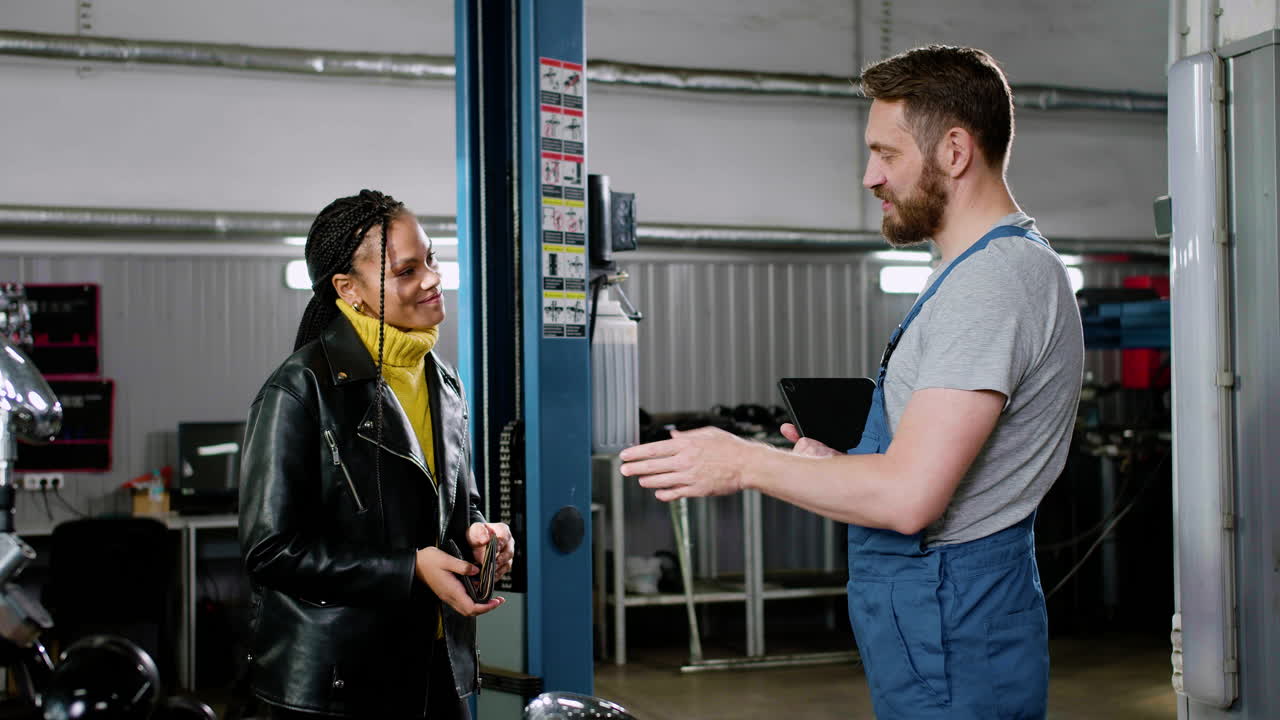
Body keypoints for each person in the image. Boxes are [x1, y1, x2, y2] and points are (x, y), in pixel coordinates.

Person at [620, 46, 1083, 719]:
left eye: (886, 153)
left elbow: (907, 500)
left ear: (954, 151)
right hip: (944, 619)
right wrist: (835, 471)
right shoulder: (980, 270)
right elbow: (912, 478)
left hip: (954, 623)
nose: (870, 176)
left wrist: (744, 461)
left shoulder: (993, 281)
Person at [240, 189, 514, 719]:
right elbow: (269, 551)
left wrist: (481, 537)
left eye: (430, 259)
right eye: (407, 270)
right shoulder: (301, 389)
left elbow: (459, 505)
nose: (433, 278)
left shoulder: (443, 379)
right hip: (340, 684)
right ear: (349, 289)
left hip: (435, 665)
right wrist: (408, 569)